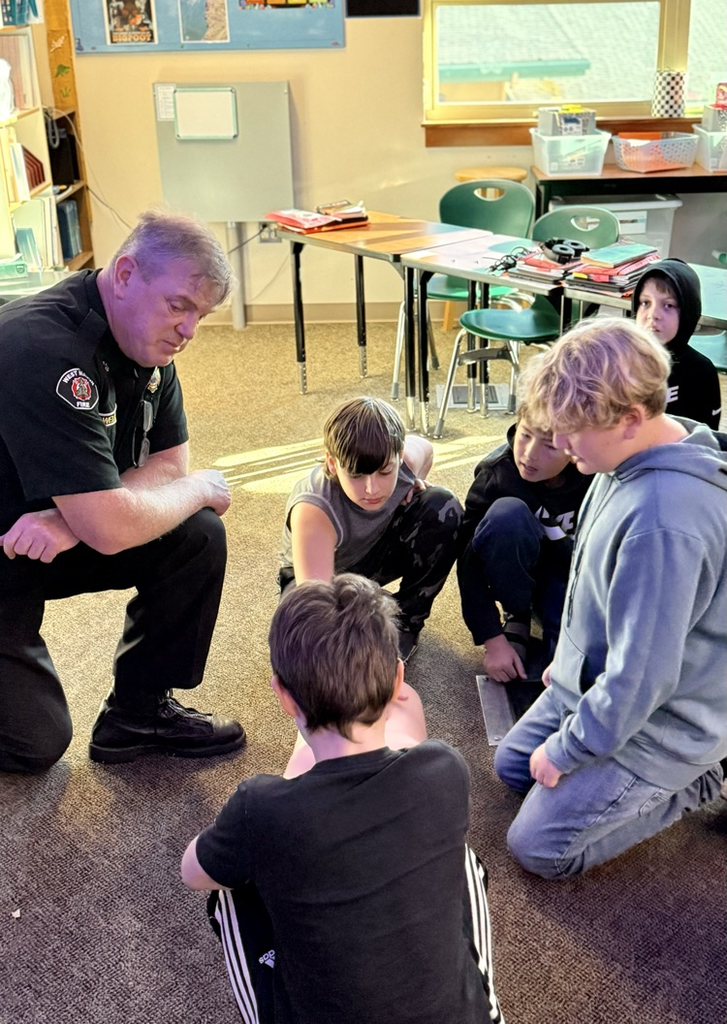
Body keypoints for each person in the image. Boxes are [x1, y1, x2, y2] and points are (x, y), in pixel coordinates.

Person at [181, 574, 503, 1024]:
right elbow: (402, 767)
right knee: (461, 859)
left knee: (230, 888)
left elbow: (193, 872)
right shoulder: (445, 768)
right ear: (398, 682)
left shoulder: (260, 808)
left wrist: (295, 785)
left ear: (282, 695)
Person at [0, 209, 246, 773]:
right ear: (127, 273)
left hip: (44, 536)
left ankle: (137, 714)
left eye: (200, 314)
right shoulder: (44, 349)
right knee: (35, 743)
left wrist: (70, 521)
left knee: (196, 533)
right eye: (179, 305)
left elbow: (168, 460)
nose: (189, 330)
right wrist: (200, 485)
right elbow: (118, 525)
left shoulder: (149, 344)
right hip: (4, 549)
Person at [493, 317, 727, 879]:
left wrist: (568, 751)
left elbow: (641, 679)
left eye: (572, 432)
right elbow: (594, 585)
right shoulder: (622, 453)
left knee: (538, 849)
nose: (562, 445)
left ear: (629, 419)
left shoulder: (663, 522)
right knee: (512, 767)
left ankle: (705, 775)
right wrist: (569, 663)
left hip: (665, 722)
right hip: (602, 682)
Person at [278, 396, 463, 662]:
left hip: (372, 552)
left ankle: (405, 622)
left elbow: (426, 449)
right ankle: (370, 609)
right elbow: (315, 603)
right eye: (356, 475)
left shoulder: (405, 460)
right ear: (332, 463)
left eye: (384, 472)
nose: (371, 490)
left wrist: (412, 482)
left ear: (398, 457)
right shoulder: (313, 508)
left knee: (443, 505)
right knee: (311, 653)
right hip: (316, 575)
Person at [457, 406, 592, 683]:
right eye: (525, 435)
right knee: (507, 515)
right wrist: (492, 638)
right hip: (518, 569)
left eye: (550, 447)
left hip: (571, 577)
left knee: (575, 667)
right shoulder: (497, 475)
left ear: (574, 448)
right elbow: (468, 558)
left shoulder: (595, 472)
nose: (529, 455)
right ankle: (517, 612)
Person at [632, 257, 722, 428]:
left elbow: (708, 441)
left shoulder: (701, 371)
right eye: (645, 303)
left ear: (688, 313)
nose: (653, 314)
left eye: (668, 305)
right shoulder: (616, 361)